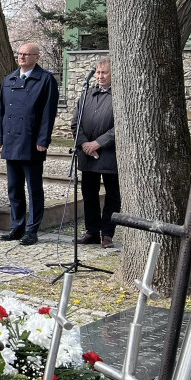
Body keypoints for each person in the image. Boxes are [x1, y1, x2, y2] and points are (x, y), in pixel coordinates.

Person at [0, 43, 59, 246]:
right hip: (11, 141)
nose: (22, 57)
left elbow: (48, 114)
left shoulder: (46, 79)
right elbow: (2, 111)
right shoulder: (9, 78)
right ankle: (17, 226)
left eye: (26, 54)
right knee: (14, 188)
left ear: (37, 57)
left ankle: (32, 229)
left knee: (33, 188)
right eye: (20, 54)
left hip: (31, 142)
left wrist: (43, 140)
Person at [73, 59, 119, 249]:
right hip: (87, 154)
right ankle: (92, 231)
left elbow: (120, 125)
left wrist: (99, 143)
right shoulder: (86, 94)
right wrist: (85, 143)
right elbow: (76, 123)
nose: (100, 76)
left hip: (110, 154)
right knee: (89, 193)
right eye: (98, 72)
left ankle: (107, 233)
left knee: (113, 195)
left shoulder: (119, 95)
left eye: (104, 73)